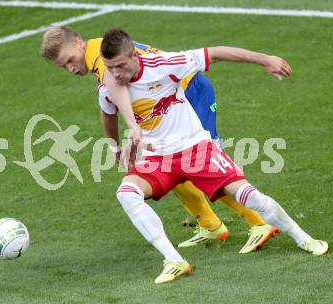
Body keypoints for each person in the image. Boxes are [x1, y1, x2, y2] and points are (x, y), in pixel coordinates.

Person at [97, 28, 328, 284]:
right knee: (126, 193)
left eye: (120, 65)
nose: (115, 73)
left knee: (250, 196)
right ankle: (174, 260)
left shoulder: (164, 65)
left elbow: (216, 53)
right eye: (110, 67)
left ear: (134, 56)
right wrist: (115, 147)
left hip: (195, 149)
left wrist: (265, 59)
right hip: (158, 158)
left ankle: (303, 238)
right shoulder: (109, 83)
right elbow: (107, 112)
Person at [41, 26, 279, 254]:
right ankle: (210, 225)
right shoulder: (98, 52)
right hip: (168, 98)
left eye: (70, 60)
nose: (71, 68)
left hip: (187, 91)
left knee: (204, 166)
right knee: (166, 164)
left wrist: (131, 132)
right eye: (64, 67)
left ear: (79, 43)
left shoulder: (100, 59)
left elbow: (118, 92)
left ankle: (259, 222)